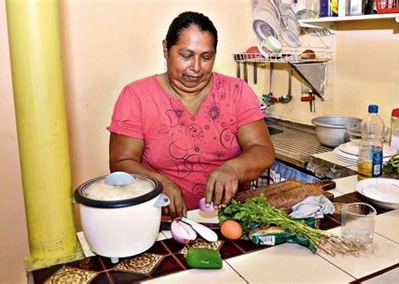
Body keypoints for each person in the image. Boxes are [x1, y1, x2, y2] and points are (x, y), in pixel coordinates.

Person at [108, 11, 275, 217]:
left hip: (231, 216)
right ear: (165, 50)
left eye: (206, 57)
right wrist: (158, 183)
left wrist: (234, 169)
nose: (196, 68)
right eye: (186, 56)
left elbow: (262, 149)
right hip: (162, 218)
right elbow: (121, 162)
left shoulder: (236, 91)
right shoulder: (137, 96)